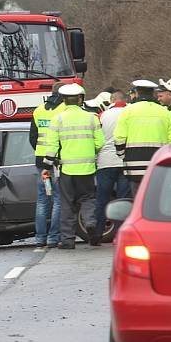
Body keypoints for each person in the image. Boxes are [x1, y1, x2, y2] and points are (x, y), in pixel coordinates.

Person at [43, 83, 104, 249]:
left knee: (67, 204)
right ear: (80, 99)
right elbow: (100, 142)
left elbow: (52, 145)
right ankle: (90, 222)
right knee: (88, 199)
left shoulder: (58, 119)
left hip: (67, 171)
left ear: (63, 100)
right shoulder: (92, 117)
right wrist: (91, 153)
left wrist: (47, 165)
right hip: (87, 169)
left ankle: (68, 240)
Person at [114, 80, 171, 195]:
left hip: (134, 164)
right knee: (156, 197)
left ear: (136, 93)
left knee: (138, 198)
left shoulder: (127, 111)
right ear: (153, 93)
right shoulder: (166, 112)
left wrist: (122, 155)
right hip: (158, 164)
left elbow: (119, 137)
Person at [29, 82, 65, 249]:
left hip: (41, 161)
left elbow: (32, 137)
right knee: (58, 199)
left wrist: (41, 152)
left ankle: (40, 238)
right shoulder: (64, 110)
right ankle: (53, 237)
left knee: (43, 200)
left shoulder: (39, 110)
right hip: (57, 161)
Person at [93, 89, 132, 242]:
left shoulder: (102, 115)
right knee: (124, 200)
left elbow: (98, 138)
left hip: (105, 162)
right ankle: (122, 235)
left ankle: (97, 234)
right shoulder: (130, 114)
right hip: (124, 161)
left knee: (102, 198)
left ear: (111, 100)